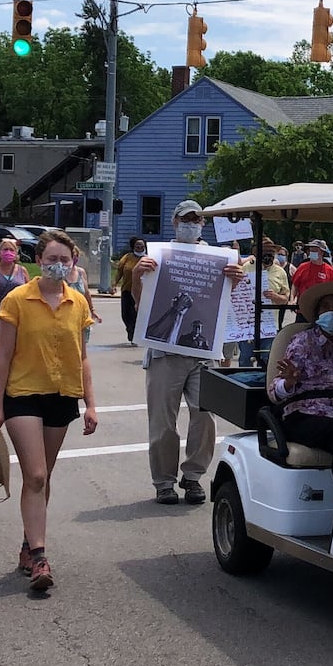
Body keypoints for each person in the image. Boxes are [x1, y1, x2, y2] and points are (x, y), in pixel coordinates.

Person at [0, 229, 98, 592]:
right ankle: (39, 556)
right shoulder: (18, 299)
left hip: (61, 394)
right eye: (51, 259)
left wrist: (91, 404)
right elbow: (3, 354)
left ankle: (26, 543)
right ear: (38, 261)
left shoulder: (78, 302)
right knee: (34, 475)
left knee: (43, 477)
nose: (58, 265)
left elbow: (82, 357)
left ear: (73, 263)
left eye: (64, 260)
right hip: (22, 395)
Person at [132, 200, 240, 505]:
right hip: (165, 353)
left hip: (203, 353)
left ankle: (193, 476)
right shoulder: (160, 256)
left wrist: (236, 280)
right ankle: (164, 482)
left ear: (203, 225)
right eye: (185, 218)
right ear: (174, 222)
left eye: (197, 219)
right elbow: (141, 305)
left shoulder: (219, 260)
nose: (191, 223)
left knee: (205, 416)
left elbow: (226, 307)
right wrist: (136, 277)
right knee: (163, 422)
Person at [270, 283, 333, 488]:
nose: (330, 312)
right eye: (325, 307)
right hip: (304, 415)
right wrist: (289, 383)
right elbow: (275, 391)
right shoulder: (303, 342)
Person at [238, 237, 289, 366]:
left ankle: (264, 385)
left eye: (271, 254)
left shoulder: (280, 272)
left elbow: (285, 299)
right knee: (245, 358)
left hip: (269, 325)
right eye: (265, 253)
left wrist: (275, 297)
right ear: (257, 254)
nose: (268, 257)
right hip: (248, 323)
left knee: (267, 359)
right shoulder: (247, 268)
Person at [0, 237, 29, 316]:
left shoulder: (22, 271)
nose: (8, 252)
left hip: (16, 313)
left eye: (11, 250)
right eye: (5, 249)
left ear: (16, 253)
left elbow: (28, 292)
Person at [116, 236, 147, 343]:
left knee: (136, 314)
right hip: (127, 290)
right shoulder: (127, 257)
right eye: (137, 246)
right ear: (133, 247)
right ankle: (130, 329)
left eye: (141, 246)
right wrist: (114, 284)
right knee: (125, 314)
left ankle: (135, 334)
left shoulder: (148, 258)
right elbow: (119, 271)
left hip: (141, 291)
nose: (139, 248)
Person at [291, 238, 333, 306]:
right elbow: (295, 285)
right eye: (311, 251)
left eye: (315, 251)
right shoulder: (302, 267)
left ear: (322, 252)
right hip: (303, 307)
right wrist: (292, 300)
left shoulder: (330, 270)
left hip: (320, 308)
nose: (312, 253)